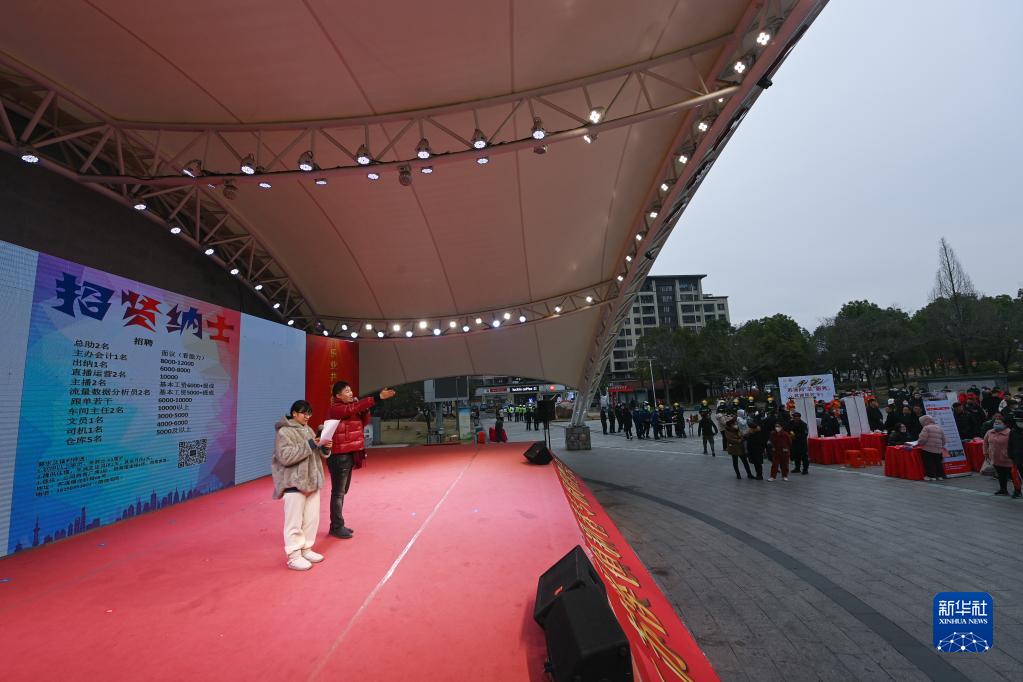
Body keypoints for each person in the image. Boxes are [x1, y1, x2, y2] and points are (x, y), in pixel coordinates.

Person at [326, 382, 396, 539]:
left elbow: (364, 422)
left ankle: (337, 524)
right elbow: (351, 409)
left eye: (350, 390)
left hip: (349, 454)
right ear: (338, 395)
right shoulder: (336, 408)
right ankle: (336, 526)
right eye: (346, 391)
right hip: (339, 456)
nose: (350, 393)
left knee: (342, 491)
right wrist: (377, 397)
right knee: (338, 493)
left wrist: (365, 410)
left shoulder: (352, 407)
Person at [272, 400, 330, 571]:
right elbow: (285, 456)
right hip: (293, 483)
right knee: (294, 522)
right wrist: (311, 444)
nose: (307, 416)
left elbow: (316, 454)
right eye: (304, 413)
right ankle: (294, 556)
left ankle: (306, 549)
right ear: (294, 413)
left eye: (309, 413)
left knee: (312, 519)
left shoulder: (309, 430)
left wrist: (325, 448)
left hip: (312, 482)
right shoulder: (284, 432)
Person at [984, 414, 1021, 497]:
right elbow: (985, 442)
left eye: (999, 423)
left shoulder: (1010, 432)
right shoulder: (990, 432)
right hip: (996, 458)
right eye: (995, 422)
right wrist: (985, 452)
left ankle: (1017, 491)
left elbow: (1014, 445)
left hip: (1008, 459)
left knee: (1013, 476)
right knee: (1001, 475)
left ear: (1005, 424)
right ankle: (1003, 490)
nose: (996, 424)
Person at [917, 414, 947, 481]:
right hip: (938, 449)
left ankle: (931, 476)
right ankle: (940, 476)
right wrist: (940, 446)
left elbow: (922, 439)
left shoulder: (926, 428)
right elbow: (944, 440)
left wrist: (919, 443)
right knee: (938, 463)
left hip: (927, 449)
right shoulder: (939, 428)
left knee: (928, 463)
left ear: (924, 422)